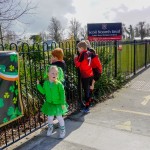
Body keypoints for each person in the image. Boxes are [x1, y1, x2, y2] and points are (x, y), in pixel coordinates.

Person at [37, 65, 68, 138]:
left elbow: (62, 94)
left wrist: (63, 103)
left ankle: (63, 130)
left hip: (58, 104)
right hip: (50, 104)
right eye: (53, 73)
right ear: (48, 74)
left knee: (59, 117)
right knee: (50, 117)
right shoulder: (46, 83)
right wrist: (38, 85)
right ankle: (50, 128)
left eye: (56, 73)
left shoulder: (59, 84)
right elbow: (43, 92)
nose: (55, 75)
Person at [74, 41, 94, 113]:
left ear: (82, 48)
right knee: (89, 89)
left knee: (86, 91)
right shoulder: (89, 53)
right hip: (90, 74)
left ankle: (87, 107)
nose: (78, 50)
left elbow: (77, 64)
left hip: (85, 75)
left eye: (78, 48)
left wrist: (75, 58)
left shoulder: (82, 54)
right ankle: (89, 102)